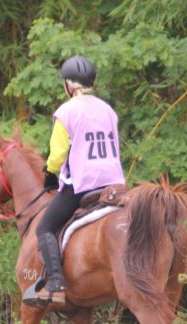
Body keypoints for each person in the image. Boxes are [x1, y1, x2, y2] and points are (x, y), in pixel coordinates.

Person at [32, 55, 125, 305]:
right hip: (115, 185)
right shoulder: (108, 110)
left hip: (83, 184)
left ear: (69, 86)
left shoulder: (66, 111)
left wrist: (50, 173)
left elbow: (58, 154)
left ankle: (56, 284)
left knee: (45, 228)